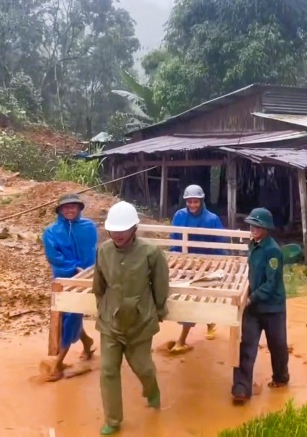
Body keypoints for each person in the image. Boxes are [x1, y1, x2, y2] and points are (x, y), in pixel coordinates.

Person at [94, 201, 170, 435]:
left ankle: (152, 391)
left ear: (134, 228)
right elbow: (99, 285)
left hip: (139, 322)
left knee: (143, 368)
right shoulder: (103, 251)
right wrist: (102, 310)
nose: (117, 234)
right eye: (113, 230)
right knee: (108, 369)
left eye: (122, 230)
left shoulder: (150, 252)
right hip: (110, 322)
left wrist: (157, 312)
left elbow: (160, 285)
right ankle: (113, 420)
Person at [231, 208, 289, 404]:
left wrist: (251, 298)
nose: (254, 228)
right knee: (247, 347)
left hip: (272, 308)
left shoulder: (273, 251)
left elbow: (271, 285)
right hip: (253, 307)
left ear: (266, 228)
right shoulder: (253, 245)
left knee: (278, 346)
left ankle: (281, 377)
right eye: (252, 225)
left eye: (258, 226)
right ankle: (241, 388)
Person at [42, 193, 97, 382]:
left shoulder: (89, 227)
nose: (69, 210)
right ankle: (88, 343)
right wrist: (73, 267)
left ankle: (57, 363)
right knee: (66, 316)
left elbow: (92, 251)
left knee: (73, 315)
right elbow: (53, 256)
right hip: (63, 279)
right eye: (65, 207)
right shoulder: (51, 232)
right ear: (60, 211)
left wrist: (87, 272)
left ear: (79, 208)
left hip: (85, 279)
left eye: (73, 206)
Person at [168, 184, 227, 353]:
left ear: (202, 201)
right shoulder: (179, 216)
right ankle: (210, 322)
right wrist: (175, 258)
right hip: (186, 264)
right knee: (190, 297)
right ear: (185, 201)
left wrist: (219, 263)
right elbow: (174, 239)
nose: (193, 205)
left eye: (196, 202)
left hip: (207, 263)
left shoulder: (212, 219)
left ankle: (181, 340)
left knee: (201, 296)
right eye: (190, 202)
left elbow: (220, 243)